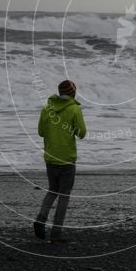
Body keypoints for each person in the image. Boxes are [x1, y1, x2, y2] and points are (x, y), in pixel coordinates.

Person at [34, 79, 86, 243]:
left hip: (51, 158)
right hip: (67, 159)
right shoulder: (74, 109)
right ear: (72, 93)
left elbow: (41, 132)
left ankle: (41, 219)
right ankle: (56, 233)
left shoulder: (47, 108)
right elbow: (82, 133)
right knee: (64, 195)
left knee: (52, 190)